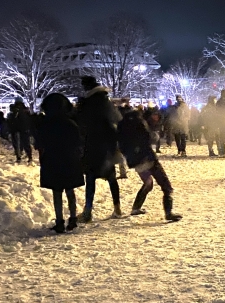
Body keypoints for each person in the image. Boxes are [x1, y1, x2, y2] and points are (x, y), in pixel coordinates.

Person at [117, 108, 182, 222]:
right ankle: (168, 212)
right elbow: (149, 138)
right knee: (166, 186)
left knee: (148, 183)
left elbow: (121, 145)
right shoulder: (141, 123)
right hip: (148, 159)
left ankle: (136, 208)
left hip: (135, 161)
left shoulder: (123, 125)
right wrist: (155, 135)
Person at [35, 93, 84, 233]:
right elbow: (79, 143)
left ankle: (59, 221)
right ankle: (73, 219)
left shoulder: (45, 124)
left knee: (56, 192)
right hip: (70, 159)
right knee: (70, 190)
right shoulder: (71, 123)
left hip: (52, 160)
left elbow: (39, 144)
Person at [75, 76, 122, 222]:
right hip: (108, 146)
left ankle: (88, 211)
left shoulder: (88, 103)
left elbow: (81, 122)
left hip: (93, 145)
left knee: (90, 178)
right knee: (112, 178)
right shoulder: (106, 102)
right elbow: (118, 119)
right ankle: (117, 208)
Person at [8, 98, 33, 163]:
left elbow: (11, 120)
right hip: (25, 129)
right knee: (26, 143)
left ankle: (18, 157)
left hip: (15, 130)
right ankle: (29, 157)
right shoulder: (26, 110)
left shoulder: (14, 110)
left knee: (16, 144)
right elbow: (29, 120)